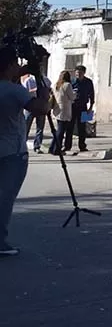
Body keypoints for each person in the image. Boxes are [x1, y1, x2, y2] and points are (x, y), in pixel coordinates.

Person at [1, 44, 52, 257]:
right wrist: (43, 88)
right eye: (15, 65)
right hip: (12, 152)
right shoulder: (14, 91)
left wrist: (27, 70)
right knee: (4, 198)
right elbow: (41, 108)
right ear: (10, 65)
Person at [22, 70, 51, 154]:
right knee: (26, 126)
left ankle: (37, 146)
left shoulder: (45, 80)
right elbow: (24, 92)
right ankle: (23, 145)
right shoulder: (28, 80)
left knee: (40, 128)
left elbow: (49, 89)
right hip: (30, 105)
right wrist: (34, 90)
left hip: (41, 105)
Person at [49, 71, 76, 156]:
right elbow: (72, 97)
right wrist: (75, 93)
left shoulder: (56, 85)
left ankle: (52, 147)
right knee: (61, 131)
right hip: (64, 109)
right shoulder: (67, 85)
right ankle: (56, 149)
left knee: (58, 130)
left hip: (57, 109)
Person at [69, 65, 95, 154]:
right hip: (72, 106)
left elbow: (92, 94)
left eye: (80, 73)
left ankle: (82, 146)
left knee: (82, 127)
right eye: (76, 73)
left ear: (84, 73)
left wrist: (91, 107)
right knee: (70, 126)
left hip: (83, 107)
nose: (78, 75)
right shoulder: (72, 82)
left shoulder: (88, 82)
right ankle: (67, 146)